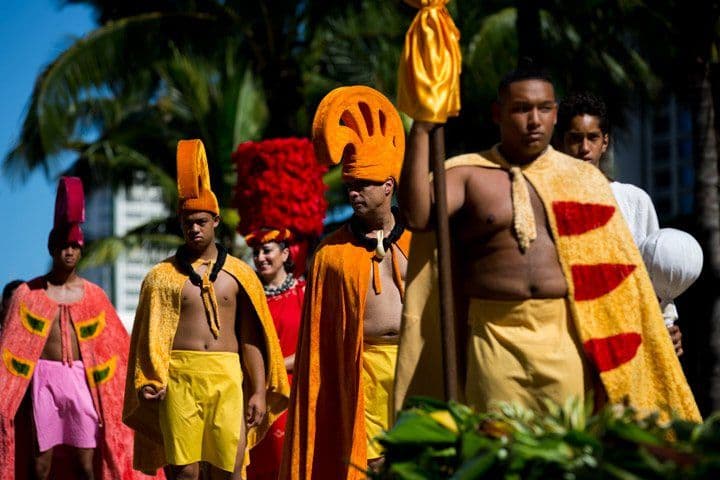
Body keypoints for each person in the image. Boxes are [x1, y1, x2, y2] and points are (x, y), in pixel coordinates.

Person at [394, 64, 700, 423]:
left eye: (544, 109)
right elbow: (417, 216)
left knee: (566, 456)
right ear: (498, 114)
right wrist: (422, 128)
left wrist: (657, 337)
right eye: (522, 109)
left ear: (555, 114)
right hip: (495, 339)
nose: (534, 120)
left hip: (565, 339)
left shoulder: (586, 182)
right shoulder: (468, 174)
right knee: (499, 454)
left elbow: (620, 286)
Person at [123, 139, 290, 480]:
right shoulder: (161, 278)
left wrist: (258, 390)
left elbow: (250, 337)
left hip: (228, 376)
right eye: (187, 222)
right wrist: (148, 381)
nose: (194, 229)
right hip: (179, 377)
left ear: (215, 221)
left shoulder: (240, 275)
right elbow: (147, 340)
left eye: (200, 221)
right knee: (185, 473)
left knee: (228, 471)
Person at [280, 86, 412, 480]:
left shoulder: (421, 241)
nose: (353, 192)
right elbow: (317, 343)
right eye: (350, 184)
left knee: (416, 461)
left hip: (414, 365)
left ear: (388, 185)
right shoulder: (331, 254)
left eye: (364, 184)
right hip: (362, 370)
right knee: (370, 465)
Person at [0, 177, 142, 479]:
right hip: (44, 379)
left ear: (81, 251)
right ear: (52, 249)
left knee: (86, 463)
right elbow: (9, 351)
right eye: (63, 246)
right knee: (40, 465)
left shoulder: (94, 295)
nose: (69, 252)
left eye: (75, 246)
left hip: (81, 379)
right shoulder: (28, 294)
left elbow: (119, 348)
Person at [556, 92, 684, 354]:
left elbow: (655, 271)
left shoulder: (635, 201)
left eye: (592, 138)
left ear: (605, 142)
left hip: (629, 337)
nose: (584, 148)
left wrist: (666, 325)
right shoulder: (547, 200)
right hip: (567, 339)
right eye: (575, 139)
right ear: (561, 142)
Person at [233, 137, 327, 480]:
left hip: (297, 394)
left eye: (268, 250)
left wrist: (278, 367)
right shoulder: (246, 297)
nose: (261, 258)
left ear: (286, 253)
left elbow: (315, 345)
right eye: (256, 252)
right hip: (256, 396)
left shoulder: (307, 293)